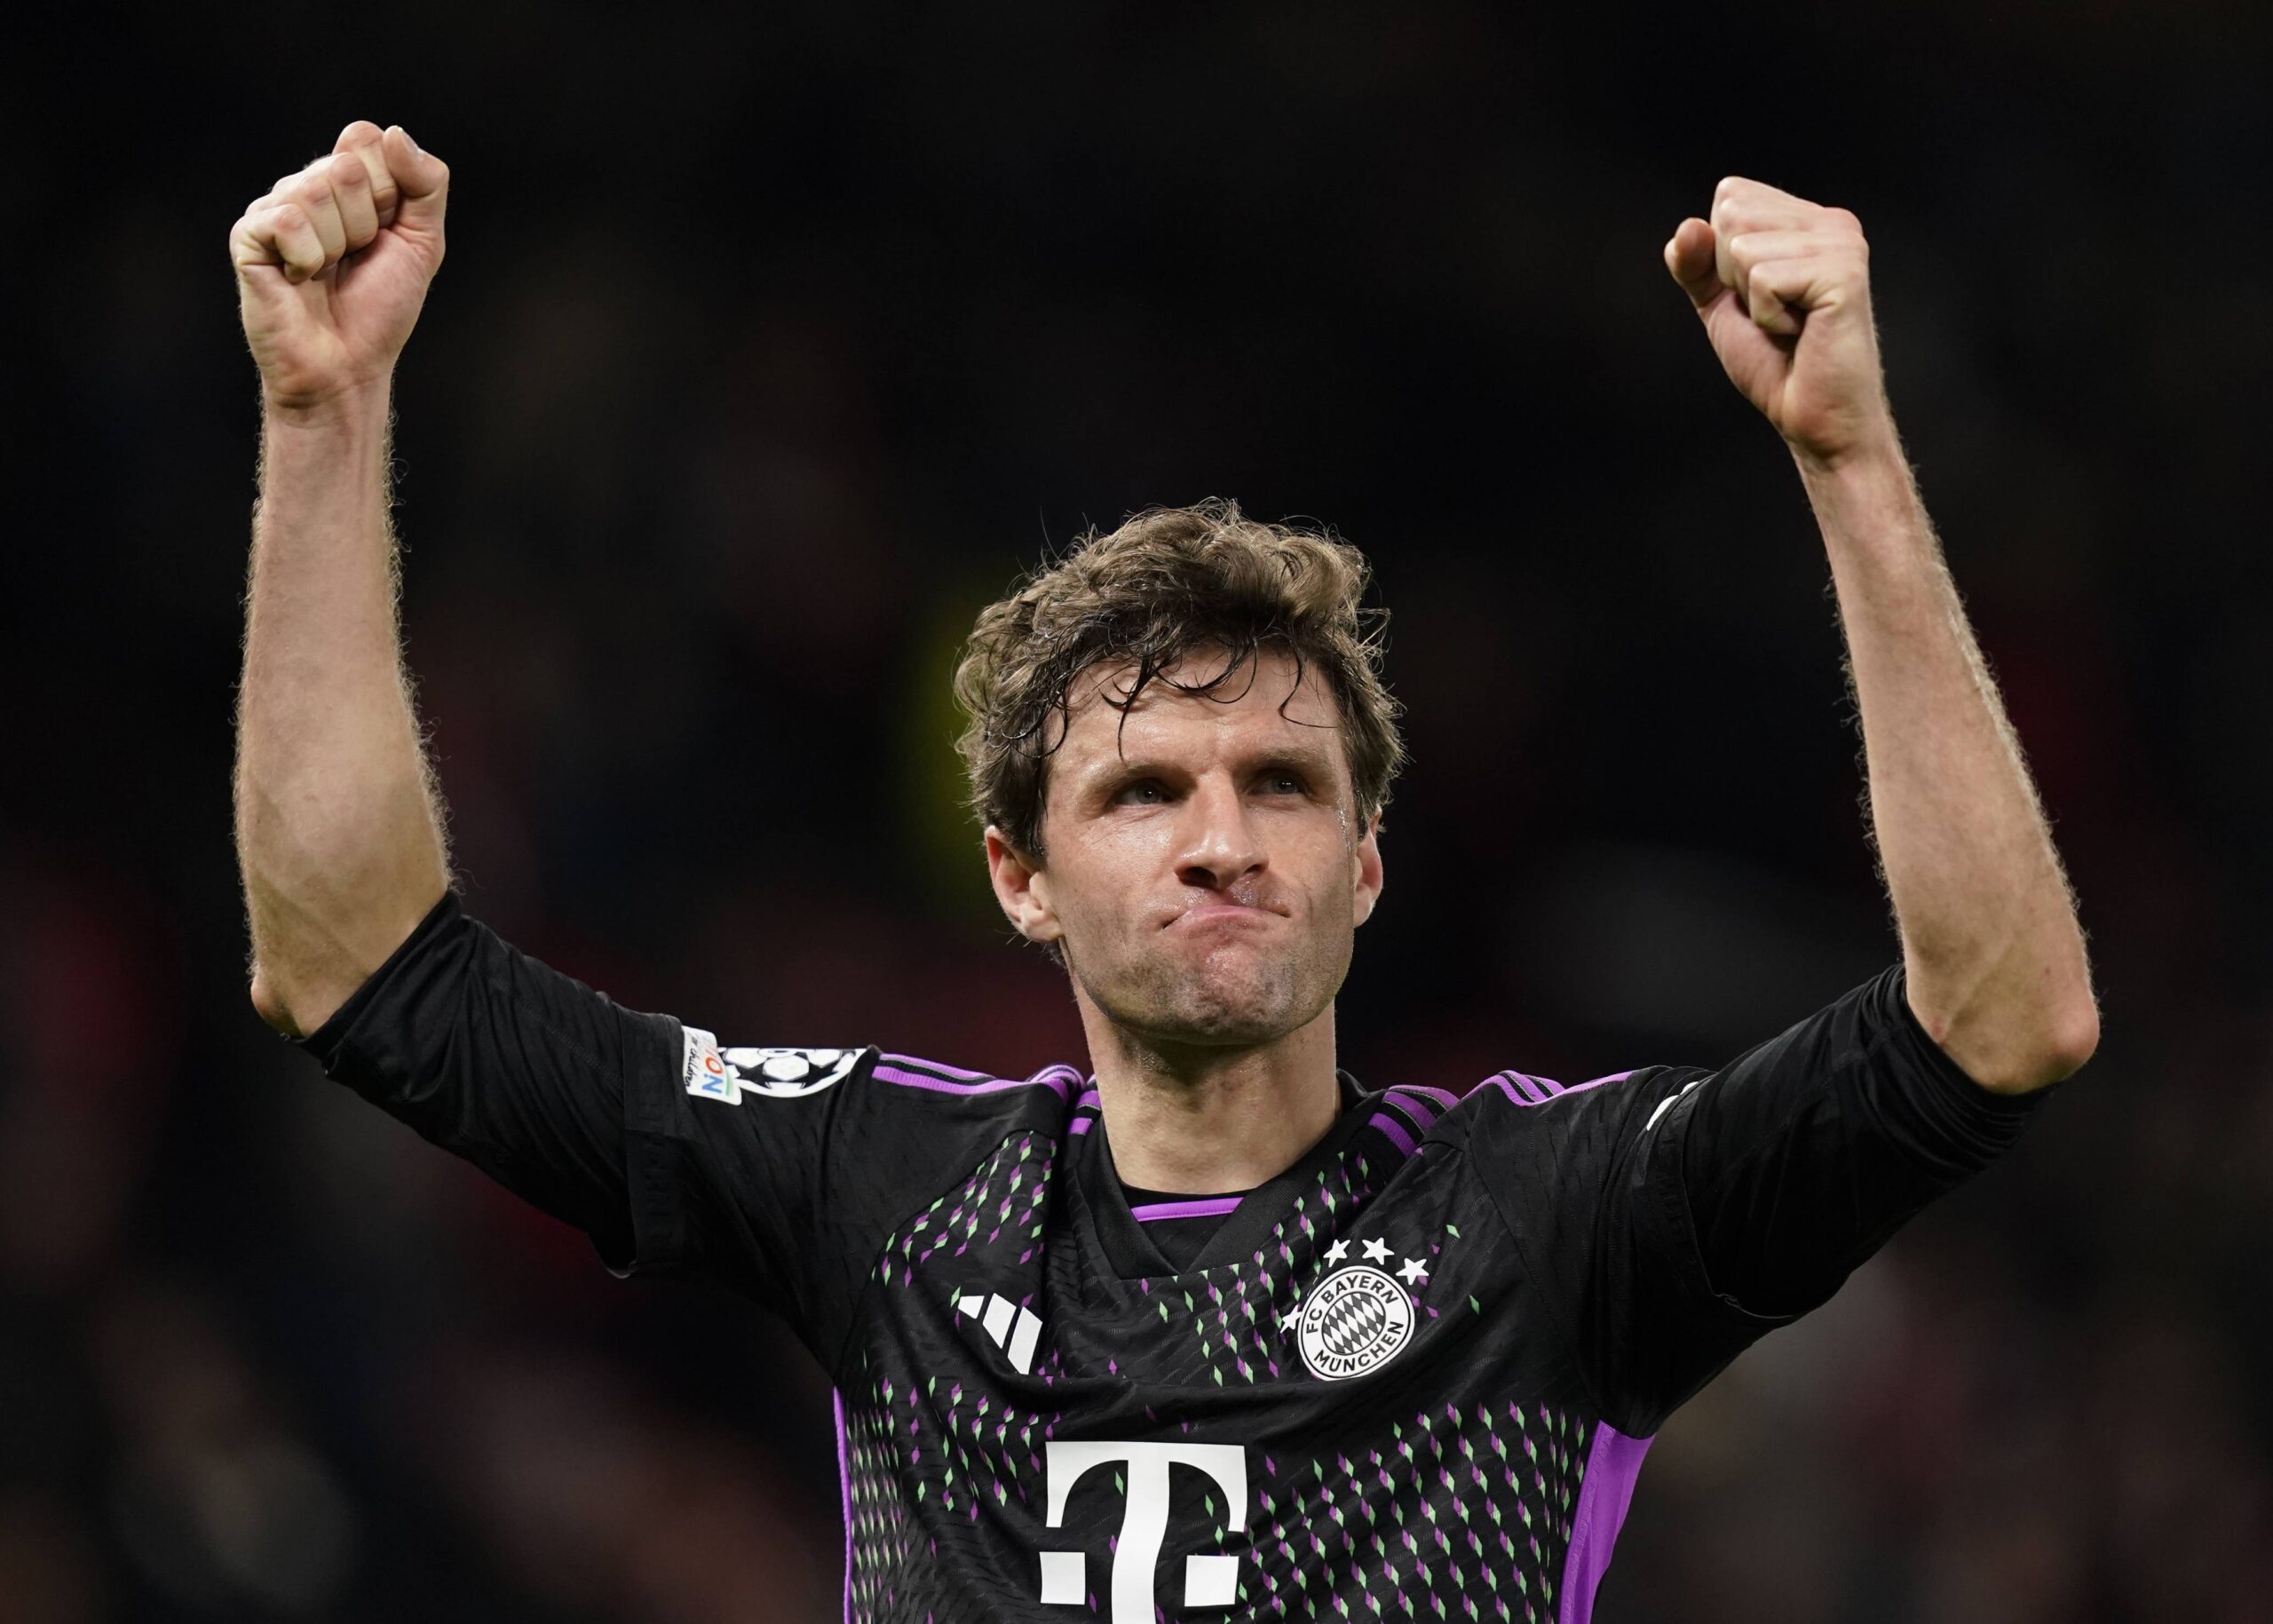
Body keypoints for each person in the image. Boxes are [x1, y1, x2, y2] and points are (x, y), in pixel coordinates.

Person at [230, 121, 2098, 1623]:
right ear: (1014, 879)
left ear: (1367, 866)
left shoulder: (1553, 1221)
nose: (1221, 838)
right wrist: (323, 417)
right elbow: (359, 968)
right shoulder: (878, 1191)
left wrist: (1848, 458)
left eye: (1281, 781)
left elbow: (1998, 1020)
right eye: (1138, 794)